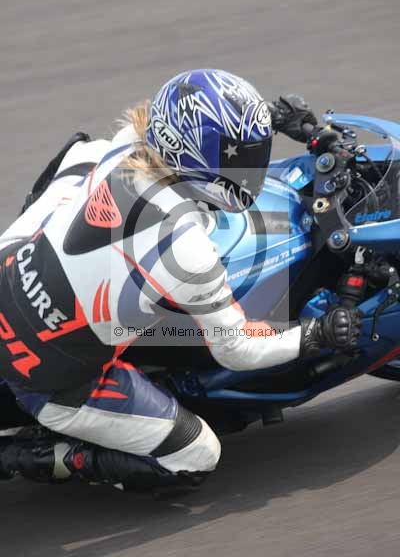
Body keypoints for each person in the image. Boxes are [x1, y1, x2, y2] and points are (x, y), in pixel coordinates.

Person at [0, 69, 361, 491]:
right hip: (51, 380)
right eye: (241, 158)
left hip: (10, 266)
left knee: (84, 151)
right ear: (196, 155)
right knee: (196, 456)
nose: (253, 168)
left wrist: (272, 120)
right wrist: (316, 334)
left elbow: (194, 124)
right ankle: (35, 457)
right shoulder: (182, 245)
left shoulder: (131, 142)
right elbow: (238, 349)